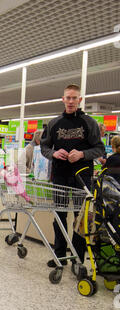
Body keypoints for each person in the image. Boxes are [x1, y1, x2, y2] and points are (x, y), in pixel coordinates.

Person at [40, 84, 105, 267]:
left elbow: (99, 148)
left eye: (74, 98)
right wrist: (53, 153)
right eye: (67, 98)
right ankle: (59, 255)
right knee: (59, 216)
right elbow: (44, 147)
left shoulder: (89, 123)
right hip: (59, 176)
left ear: (79, 100)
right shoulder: (54, 123)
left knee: (80, 218)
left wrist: (82, 154)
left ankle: (78, 260)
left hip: (81, 178)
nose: (70, 101)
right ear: (63, 99)